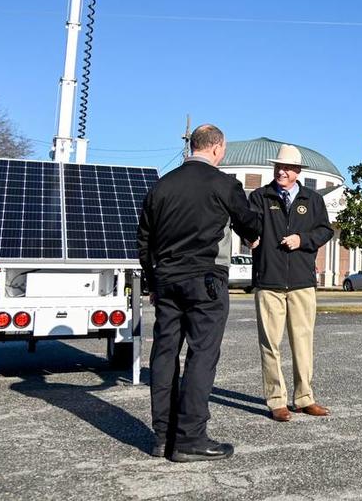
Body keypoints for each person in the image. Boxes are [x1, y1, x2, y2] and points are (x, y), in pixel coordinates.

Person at [138, 124, 261, 461]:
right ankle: (190, 439)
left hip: (166, 280)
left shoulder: (161, 186)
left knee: (164, 355)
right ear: (218, 148)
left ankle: (162, 436)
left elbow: (144, 241)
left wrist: (152, 280)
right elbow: (249, 224)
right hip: (205, 279)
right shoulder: (223, 184)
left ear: (192, 146)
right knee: (201, 354)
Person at [250, 144, 335, 422]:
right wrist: (248, 235)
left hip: (301, 282)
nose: (281, 171)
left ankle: (304, 398)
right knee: (270, 344)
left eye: (286, 168)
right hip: (269, 281)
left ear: (298, 171)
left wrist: (303, 240)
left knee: (302, 342)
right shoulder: (260, 197)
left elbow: (325, 230)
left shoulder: (312, 200)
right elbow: (246, 223)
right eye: (278, 167)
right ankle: (276, 400)